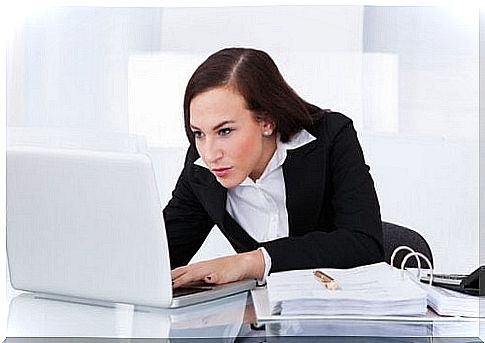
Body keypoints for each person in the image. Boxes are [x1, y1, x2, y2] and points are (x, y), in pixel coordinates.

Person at [164, 47, 383, 288]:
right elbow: (160, 254)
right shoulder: (200, 167)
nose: (210, 153)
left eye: (224, 131)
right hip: (256, 317)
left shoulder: (330, 138)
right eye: (198, 133)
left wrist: (252, 262)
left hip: (335, 310)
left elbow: (364, 245)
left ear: (267, 121)